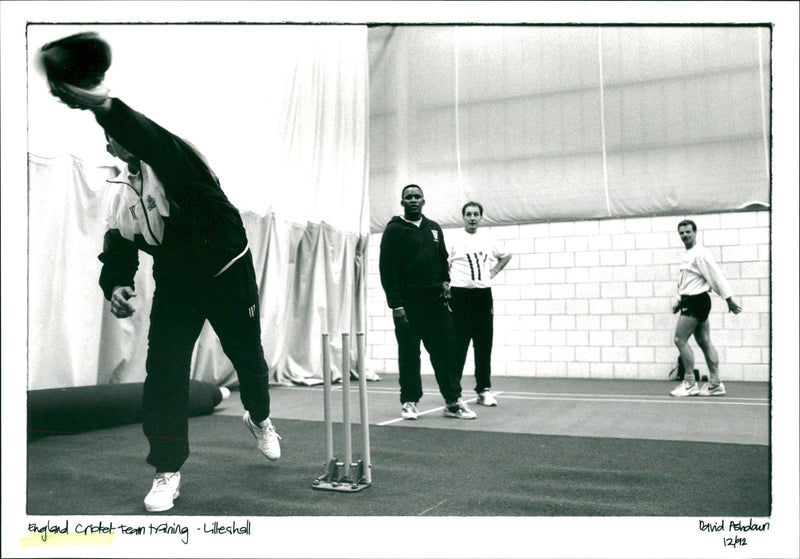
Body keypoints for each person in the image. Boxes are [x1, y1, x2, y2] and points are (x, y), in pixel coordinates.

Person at [47, 77, 280, 513]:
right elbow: (119, 246)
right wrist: (117, 284)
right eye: (112, 140)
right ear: (110, 150)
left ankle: (260, 417)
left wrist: (104, 105)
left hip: (228, 272)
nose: (120, 142)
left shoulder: (178, 160)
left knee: (248, 355)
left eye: (123, 131)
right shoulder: (117, 193)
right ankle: (166, 470)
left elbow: (151, 140)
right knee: (165, 372)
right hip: (178, 284)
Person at [379, 185, 476, 420]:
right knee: (410, 354)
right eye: (408, 197)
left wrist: (445, 280)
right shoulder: (394, 230)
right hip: (408, 304)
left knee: (445, 353)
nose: (413, 200)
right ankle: (409, 401)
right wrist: (396, 304)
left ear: (424, 201)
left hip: (435, 303)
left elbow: (443, 258)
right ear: (402, 202)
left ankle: (452, 402)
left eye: (417, 197)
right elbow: (387, 269)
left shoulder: (433, 228)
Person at [447, 201, 512, 406]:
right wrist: (446, 285)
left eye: (476, 214)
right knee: (458, 345)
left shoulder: (489, 238)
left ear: (481, 217)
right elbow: (443, 264)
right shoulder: (454, 238)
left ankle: (483, 390)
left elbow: (506, 256)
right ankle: (453, 392)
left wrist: (492, 272)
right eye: (468, 214)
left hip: (483, 296)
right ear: (463, 217)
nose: (472, 218)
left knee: (483, 344)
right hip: (459, 297)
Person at [670, 219, 742, 397]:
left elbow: (716, 276)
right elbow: (686, 282)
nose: (685, 235)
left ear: (695, 232)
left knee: (680, 340)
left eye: (688, 232)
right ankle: (716, 383)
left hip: (696, 301)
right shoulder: (688, 254)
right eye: (682, 233)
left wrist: (729, 299)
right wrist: (679, 301)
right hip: (692, 301)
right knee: (704, 342)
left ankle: (689, 383)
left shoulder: (700, 253)